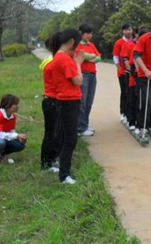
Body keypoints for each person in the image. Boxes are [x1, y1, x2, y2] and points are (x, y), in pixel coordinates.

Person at [50, 29, 85, 184]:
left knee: (66, 136)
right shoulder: (64, 59)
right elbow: (78, 81)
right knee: (70, 139)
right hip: (68, 102)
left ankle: (63, 170)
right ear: (72, 42)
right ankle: (64, 175)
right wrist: (78, 63)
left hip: (65, 101)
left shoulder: (59, 56)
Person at [75, 24, 102, 136]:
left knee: (89, 102)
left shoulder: (91, 44)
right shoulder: (77, 45)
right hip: (84, 75)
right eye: (88, 33)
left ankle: (84, 124)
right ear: (82, 33)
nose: (90, 35)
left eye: (91, 33)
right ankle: (80, 127)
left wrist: (90, 57)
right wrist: (91, 57)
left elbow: (99, 57)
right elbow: (82, 56)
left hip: (92, 75)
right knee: (82, 102)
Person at [40, 38, 59, 172]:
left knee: (53, 132)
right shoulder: (54, 64)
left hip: (51, 100)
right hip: (52, 101)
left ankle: (51, 159)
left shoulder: (51, 62)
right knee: (51, 133)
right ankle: (47, 163)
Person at [0, 94, 27, 166]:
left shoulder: (12, 116)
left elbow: (11, 130)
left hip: (2, 138)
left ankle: (1, 155)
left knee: (20, 145)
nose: (17, 106)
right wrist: (17, 135)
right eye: (15, 104)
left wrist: (19, 137)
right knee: (0, 142)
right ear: (8, 105)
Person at [113, 23, 133, 122]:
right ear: (123, 31)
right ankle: (123, 112)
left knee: (131, 93)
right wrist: (119, 68)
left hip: (132, 72)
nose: (128, 31)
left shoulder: (134, 42)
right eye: (126, 30)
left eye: (129, 29)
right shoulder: (119, 42)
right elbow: (116, 57)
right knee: (124, 92)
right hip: (122, 72)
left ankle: (130, 113)